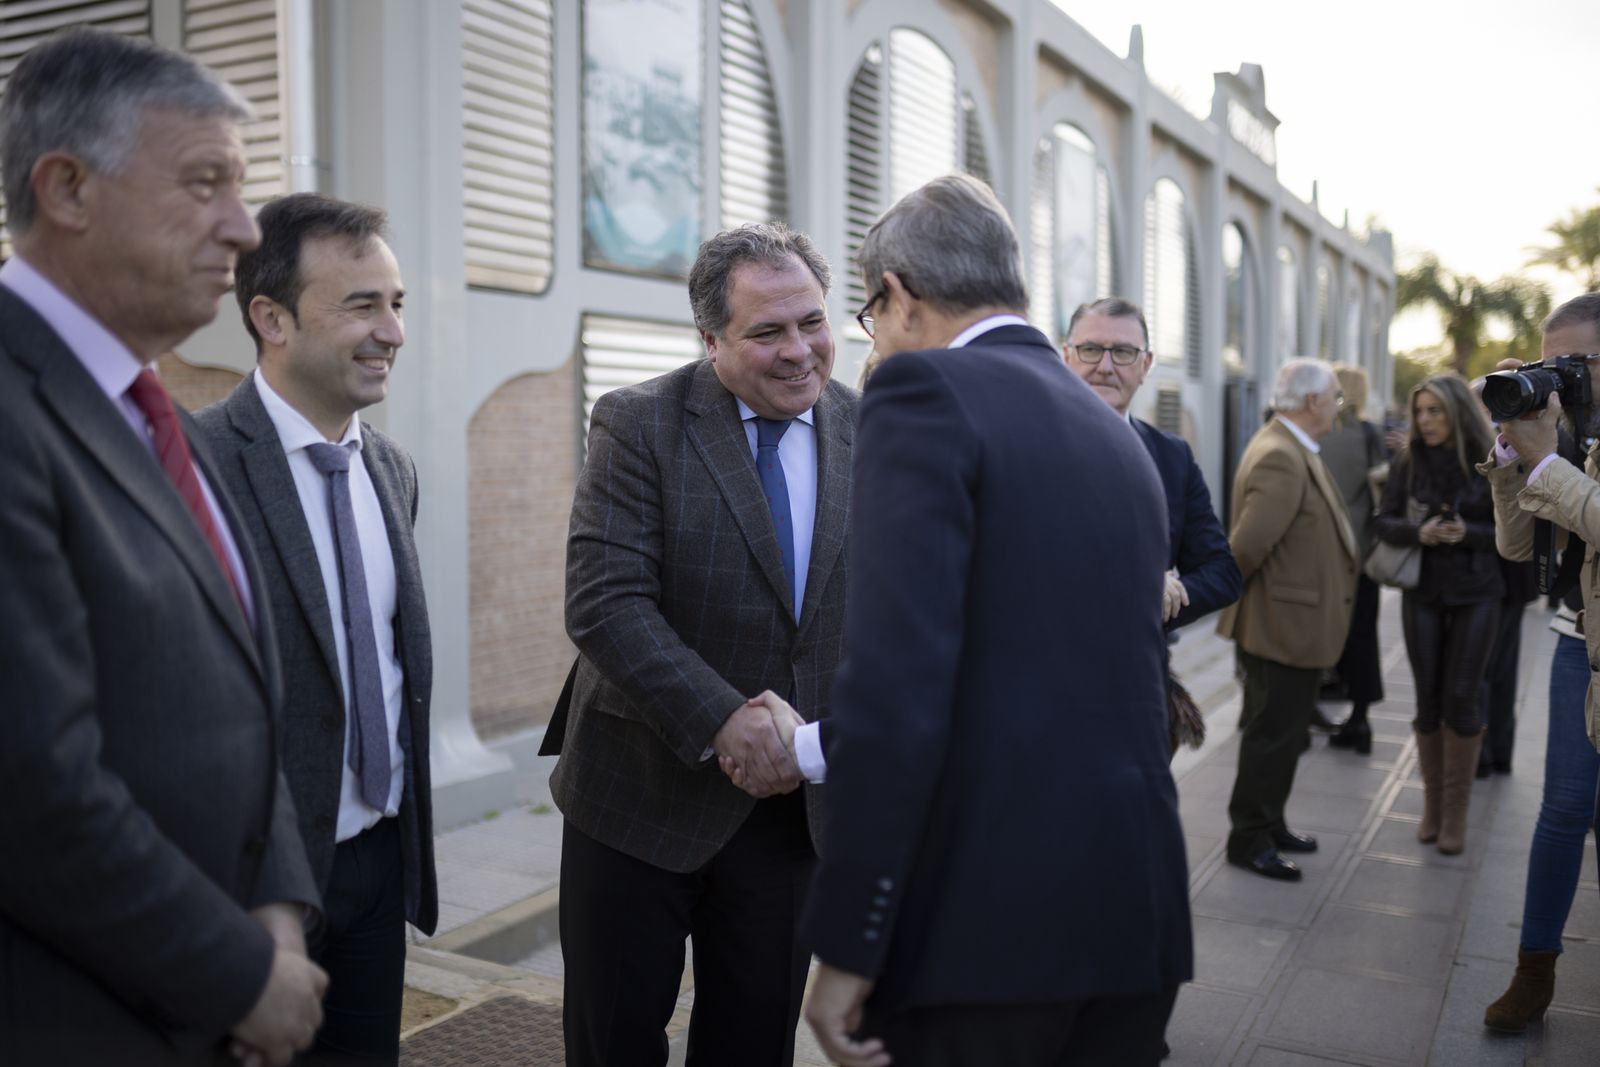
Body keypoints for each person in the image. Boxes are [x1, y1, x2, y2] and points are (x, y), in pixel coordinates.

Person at [800, 174, 1191, 1067]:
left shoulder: (925, 392)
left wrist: (852, 936)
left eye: (869, 316)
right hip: (1134, 906)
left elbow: (898, 682)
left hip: (988, 929)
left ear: (896, 295)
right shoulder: (1112, 432)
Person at [0, 28, 325, 1066]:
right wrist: (238, 975)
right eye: (205, 183)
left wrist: (274, 910)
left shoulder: (148, 409)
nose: (243, 227)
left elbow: (238, 689)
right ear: (67, 187)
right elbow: (32, 788)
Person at [551, 222, 857, 1067]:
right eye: (767, 332)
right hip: (639, 797)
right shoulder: (637, 422)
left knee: (754, 1047)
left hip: (789, 813)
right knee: (614, 1041)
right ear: (711, 340)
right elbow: (605, 603)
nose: (800, 350)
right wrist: (724, 718)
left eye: (812, 321)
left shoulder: (872, 431)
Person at [195, 192, 435, 1063]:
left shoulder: (393, 470)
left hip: (377, 866)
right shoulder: (196, 467)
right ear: (272, 318)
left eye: (397, 303)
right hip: (254, 884)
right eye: (362, 306)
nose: (393, 332)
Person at [1480, 292, 1600, 1032]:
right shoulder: (1555, 431)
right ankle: (1533, 972)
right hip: (1572, 636)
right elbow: (1518, 549)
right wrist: (1507, 465)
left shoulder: (1564, 445)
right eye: (1552, 361)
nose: (1564, 376)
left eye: (1578, 361)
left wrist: (1548, 459)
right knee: (1560, 809)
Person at [1217, 358, 1358, 881]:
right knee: (1272, 735)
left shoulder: (1291, 444)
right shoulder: (1280, 453)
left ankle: (1270, 822)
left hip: (1288, 626)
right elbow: (1247, 548)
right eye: (1336, 398)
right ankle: (1249, 837)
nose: (1340, 408)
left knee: (1283, 731)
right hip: (1280, 627)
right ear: (1313, 401)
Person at [1373, 374, 1502, 855]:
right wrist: (1419, 533)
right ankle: (1432, 807)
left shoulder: (1491, 460)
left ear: (1456, 412)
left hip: (1477, 592)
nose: (1425, 421)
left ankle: (1456, 817)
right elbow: (1383, 520)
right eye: (1420, 411)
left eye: (1435, 411)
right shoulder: (1408, 459)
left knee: (1462, 698)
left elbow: (1514, 533)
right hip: (1423, 591)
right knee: (1427, 700)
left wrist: (1466, 532)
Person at [1064, 297, 1241, 629]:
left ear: (1146, 365)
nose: (1105, 366)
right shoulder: (1028, 446)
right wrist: (1139, 589)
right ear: (1066, 356)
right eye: (1090, 349)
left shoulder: (1173, 457)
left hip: (1143, 671)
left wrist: (1166, 597)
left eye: (1123, 352)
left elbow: (1222, 573)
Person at [1319, 363, 1388, 754]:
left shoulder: (1317, 433)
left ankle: (1309, 709)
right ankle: (1360, 720)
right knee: (1363, 634)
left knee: (1316, 630)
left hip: (1319, 553)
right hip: (1360, 553)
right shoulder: (1368, 434)